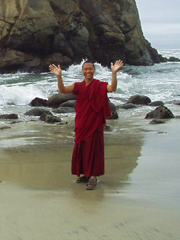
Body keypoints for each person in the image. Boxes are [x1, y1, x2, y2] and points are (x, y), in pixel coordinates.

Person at [49, 60, 124, 190]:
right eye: (86, 69)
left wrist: (114, 73)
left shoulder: (100, 85)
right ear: (82, 71)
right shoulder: (78, 86)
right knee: (82, 146)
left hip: (95, 123)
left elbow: (112, 88)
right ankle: (84, 173)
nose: (88, 71)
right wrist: (59, 76)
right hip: (82, 121)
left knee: (94, 148)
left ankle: (93, 176)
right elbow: (63, 90)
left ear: (94, 70)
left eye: (90, 69)